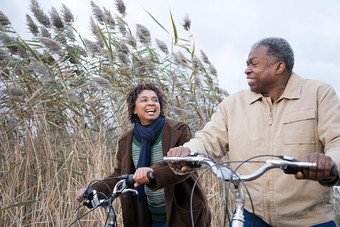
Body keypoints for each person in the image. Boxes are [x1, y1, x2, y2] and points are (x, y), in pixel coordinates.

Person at [167, 37, 340, 227]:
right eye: (247, 64)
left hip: (310, 220)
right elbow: (207, 139)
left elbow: (337, 140)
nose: (247, 70)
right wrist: (188, 152)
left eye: (254, 64)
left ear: (279, 67)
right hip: (251, 214)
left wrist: (330, 165)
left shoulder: (318, 94)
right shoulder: (234, 104)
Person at [76, 83, 211, 227]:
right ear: (134, 109)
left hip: (180, 214)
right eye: (144, 100)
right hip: (147, 216)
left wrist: (153, 172)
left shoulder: (177, 130)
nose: (151, 103)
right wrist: (93, 190)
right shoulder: (126, 140)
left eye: (155, 100)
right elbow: (120, 174)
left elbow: (184, 166)